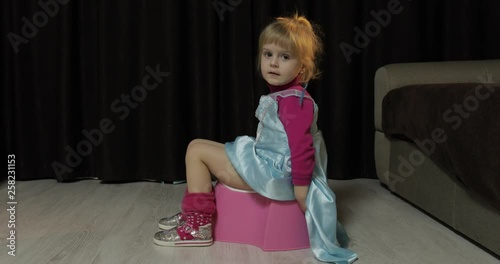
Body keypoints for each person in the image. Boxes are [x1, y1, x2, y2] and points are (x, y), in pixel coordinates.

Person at [154, 13, 358, 264]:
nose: (273, 63)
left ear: (301, 68)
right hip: (268, 163)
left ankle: (198, 225)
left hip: (274, 175)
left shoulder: (294, 103)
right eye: (268, 54)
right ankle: (195, 213)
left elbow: (302, 148)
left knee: (196, 151)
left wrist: (302, 191)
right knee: (202, 146)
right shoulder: (287, 96)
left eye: (285, 57)